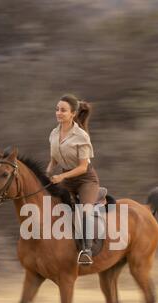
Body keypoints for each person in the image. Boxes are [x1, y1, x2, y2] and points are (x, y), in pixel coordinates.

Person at [46, 94, 100, 265]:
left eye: (63, 110)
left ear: (73, 114)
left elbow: (83, 167)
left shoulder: (81, 136)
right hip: (67, 180)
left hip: (85, 180)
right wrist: (47, 172)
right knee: (51, 207)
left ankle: (87, 251)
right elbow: (54, 158)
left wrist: (61, 176)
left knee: (85, 211)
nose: (58, 113)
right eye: (57, 109)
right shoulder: (54, 133)